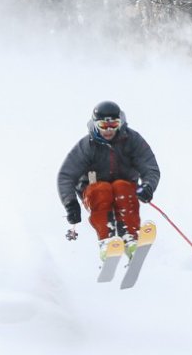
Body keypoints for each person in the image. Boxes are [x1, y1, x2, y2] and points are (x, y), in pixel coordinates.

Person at [58, 100, 161, 248]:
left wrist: (148, 186)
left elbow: (149, 166)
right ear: (95, 124)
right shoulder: (87, 146)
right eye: (103, 126)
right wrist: (70, 203)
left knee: (122, 187)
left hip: (126, 187)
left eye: (113, 125)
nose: (108, 130)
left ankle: (130, 236)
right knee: (102, 190)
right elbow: (66, 175)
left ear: (120, 123)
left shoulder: (132, 140)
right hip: (94, 190)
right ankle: (107, 240)